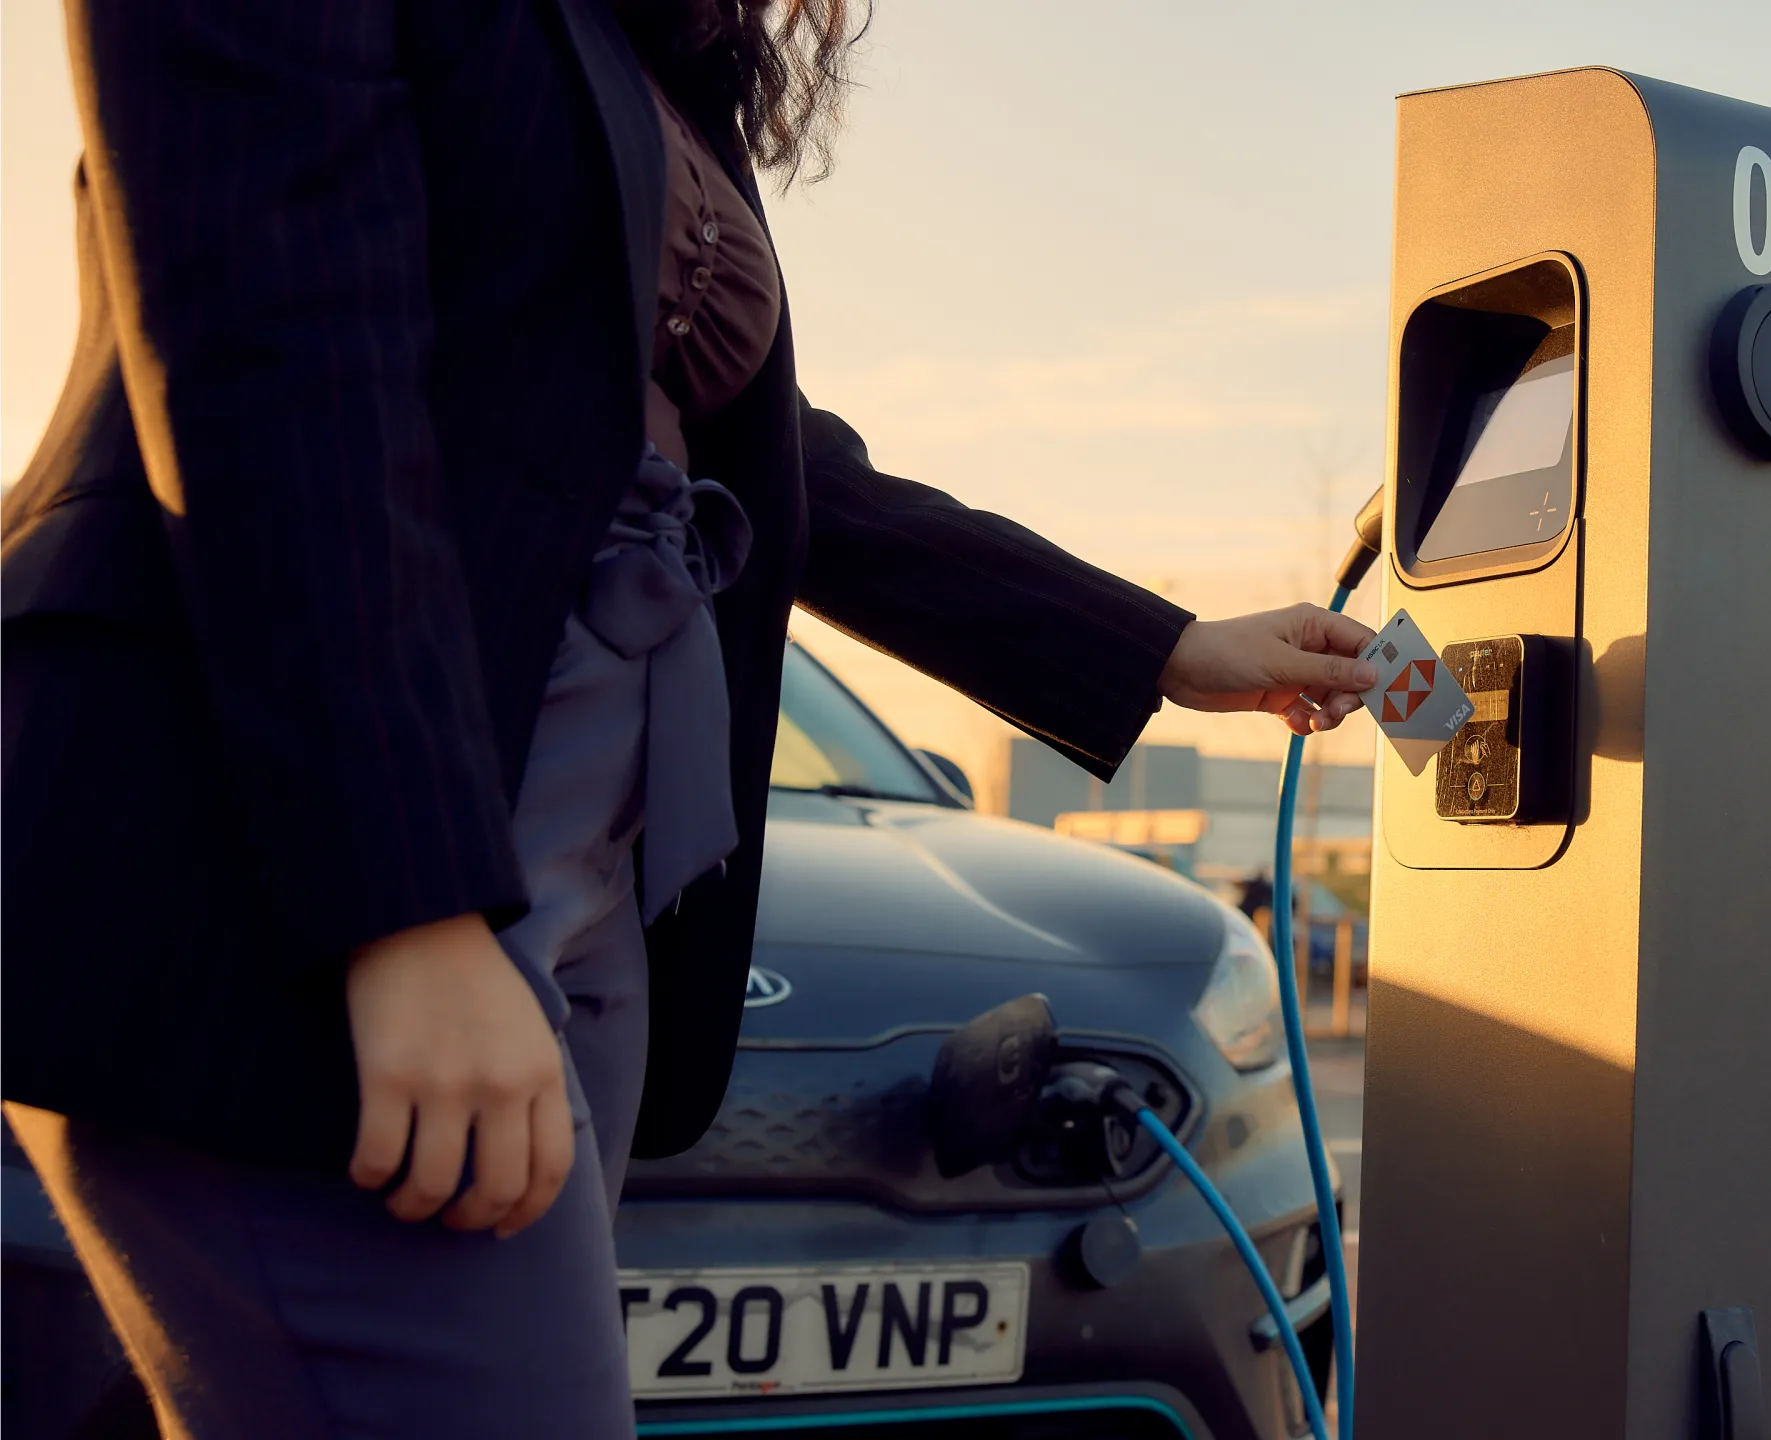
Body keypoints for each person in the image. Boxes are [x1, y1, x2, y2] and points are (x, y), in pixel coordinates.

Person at [0, 1, 1376, 1435]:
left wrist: (1163, 646)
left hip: (587, 868)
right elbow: (269, 355)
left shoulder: (632, 48)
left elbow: (786, 475)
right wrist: (403, 910)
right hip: (300, 860)